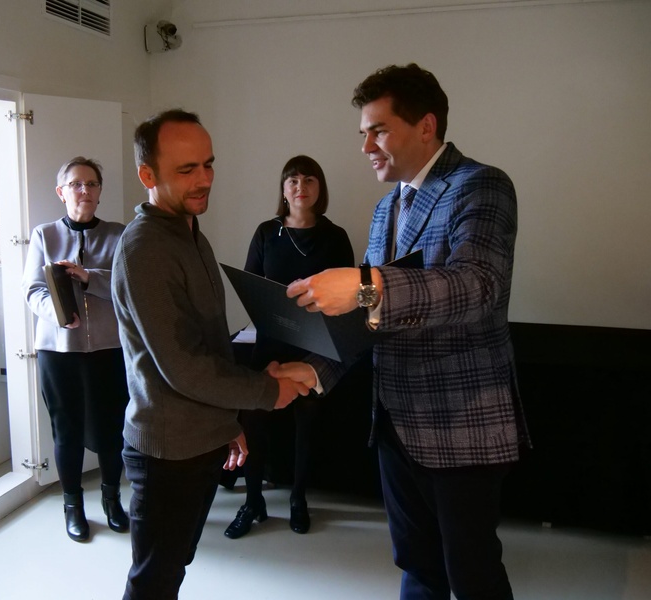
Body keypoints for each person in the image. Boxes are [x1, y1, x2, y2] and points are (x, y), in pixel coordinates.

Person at [279, 64, 531, 599]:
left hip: (461, 425)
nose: (366, 146)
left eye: (379, 130)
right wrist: (315, 370)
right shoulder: (386, 207)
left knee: (473, 576)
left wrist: (366, 284)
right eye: (363, 133)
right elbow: (368, 321)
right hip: (394, 423)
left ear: (426, 126)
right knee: (417, 568)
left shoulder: (481, 185)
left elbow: (478, 286)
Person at [111, 109, 316, 600]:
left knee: (174, 568)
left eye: (208, 164)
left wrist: (227, 423)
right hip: (166, 452)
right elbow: (184, 367)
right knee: (153, 582)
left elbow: (210, 344)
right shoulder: (145, 248)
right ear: (147, 175)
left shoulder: (189, 233)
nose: (204, 179)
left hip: (199, 438)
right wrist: (266, 392)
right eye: (187, 169)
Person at [224, 155, 354, 539]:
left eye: (309, 179)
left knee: (307, 425)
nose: (301, 187)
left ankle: (298, 498)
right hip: (271, 343)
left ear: (319, 188)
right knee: (255, 419)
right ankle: (253, 501)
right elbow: (251, 285)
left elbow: (347, 298)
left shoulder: (336, 236)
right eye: (293, 180)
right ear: (283, 190)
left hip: (316, 350)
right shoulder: (267, 232)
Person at [22, 156, 130, 542]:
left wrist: (88, 277)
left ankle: (112, 500)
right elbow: (32, 289)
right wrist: (58, 316)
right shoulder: (44, 235)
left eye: (92, 184)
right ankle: (73, 507)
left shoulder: (119, 235)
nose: (84, 190)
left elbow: (128, 286)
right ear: (61, 192)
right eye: (76, 184)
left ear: (100, 191)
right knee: (65, 430)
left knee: (112, 430)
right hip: (58, 352)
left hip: (110, 349)